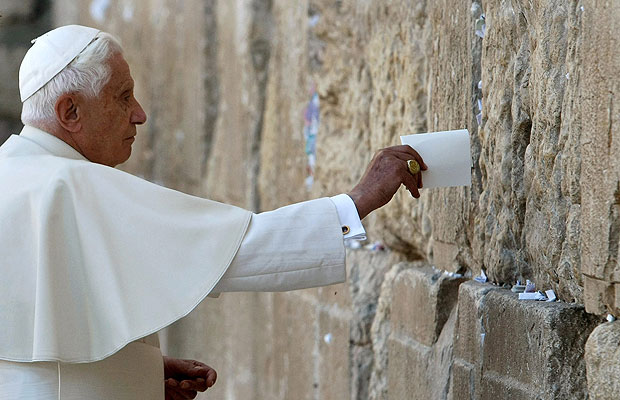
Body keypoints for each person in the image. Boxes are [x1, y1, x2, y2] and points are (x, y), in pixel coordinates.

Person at [0, 25, 426, 399]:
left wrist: (138, 372)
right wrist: (359, 200)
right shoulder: (74, 186)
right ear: (70, 111)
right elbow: (237, 253)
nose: (139, 114)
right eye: (123, 96)